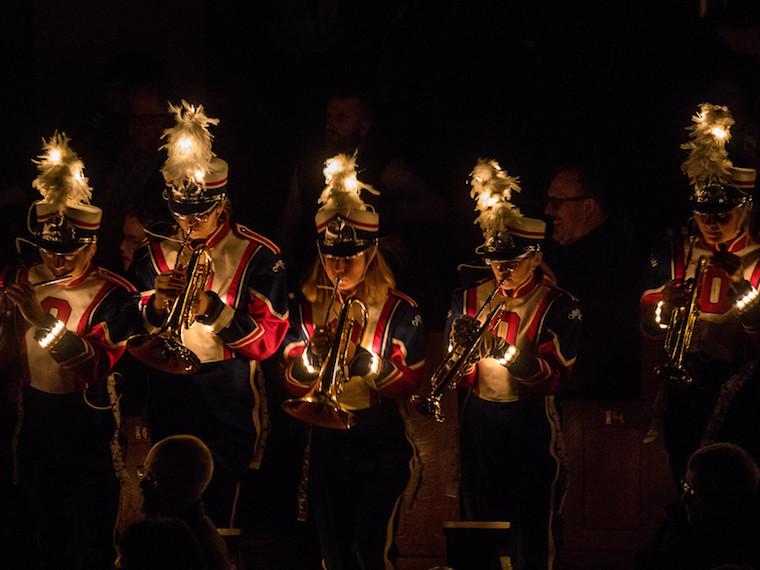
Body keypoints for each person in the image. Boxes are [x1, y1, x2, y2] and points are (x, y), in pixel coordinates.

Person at [128, 101, 290, 529]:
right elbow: (128, 327)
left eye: (202, 212)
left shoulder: (259, 254)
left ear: (223, 203)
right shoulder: (152, 252)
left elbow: (267, 342)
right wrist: (155, 307)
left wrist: (209, 308)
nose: (190, 223)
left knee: (219, 513)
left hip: (228, 394)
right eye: (181, 212)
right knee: (164, 508)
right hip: (166, 386)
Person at [0, 133, 138, 569]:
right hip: (33, 418)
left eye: (69, 252)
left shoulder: (117, 295)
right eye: (50, 250)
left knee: (91, 534)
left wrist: (39, 321)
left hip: (89, 424)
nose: (57, 263)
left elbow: (92, 366)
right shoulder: (18, 278)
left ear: (93, 243)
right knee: (41, 530)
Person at [281, 153, 425, 569]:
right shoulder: (307, 306)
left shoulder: (401, 309)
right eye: (331, 257)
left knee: (371, 549)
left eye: (351, 257)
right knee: (334, 551)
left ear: (372, 253)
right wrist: (314, 356)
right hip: (327, 439)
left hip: (379, 438)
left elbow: (409, 380)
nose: (339, 267)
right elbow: (289, 377)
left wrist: (364, 362)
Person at [447, 159, 581, 570]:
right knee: (478, 525)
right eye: (495, 259)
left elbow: (555, 376)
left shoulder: (560, 303)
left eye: (513, 260)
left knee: (530, 528)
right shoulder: (467, 298)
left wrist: (503, 351)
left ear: (535, 255)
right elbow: (459, 375)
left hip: (531, 420)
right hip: (479, 419)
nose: (502, 269)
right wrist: (461, 354)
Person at [641, 103, 760, 484]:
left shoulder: (757, 258)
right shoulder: (676, 252)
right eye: (702, 213)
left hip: (742, 389)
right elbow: (648, 324)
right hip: (684, 384)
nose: (710, 223)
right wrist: (665, 307)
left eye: (722, 214)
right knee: (682, 475)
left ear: (745, 209)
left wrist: (742, 290)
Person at [276, 89, 447, 304]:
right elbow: (289, 220)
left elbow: (436, 207)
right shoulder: (309, 166)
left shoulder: (382, 165)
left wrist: (385, 215)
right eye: (329, 117)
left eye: (341, 118)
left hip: (371, 284)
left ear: (364, 126)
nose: (330, 125)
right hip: (319, 280)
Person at [543, 163, 642, 398]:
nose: (548, 210)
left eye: (558, 201)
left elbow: (599, 340)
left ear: (587, 206)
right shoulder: (559, 256)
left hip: (596, 400)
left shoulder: (615, 262)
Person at [635, 442, 760, 570]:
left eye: (695, 491)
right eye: (686, 486)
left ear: (726, 497)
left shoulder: (740, 550)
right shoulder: (682, 517)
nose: (685, 498)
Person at [137, 435, 231, 570]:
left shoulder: (165, 542)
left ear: (180, 484)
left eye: (152, 477)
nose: (141, 484)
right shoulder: (206, 533)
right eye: (142, 473)